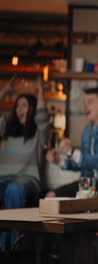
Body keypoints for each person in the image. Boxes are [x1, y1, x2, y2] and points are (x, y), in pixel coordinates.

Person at [0, 76, 49, 249]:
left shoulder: (38, 133)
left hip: (27, 180)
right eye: (18, 105)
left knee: (15, 188)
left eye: (24, 105)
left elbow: (43, 116)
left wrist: (41, 90)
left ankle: (12, 245)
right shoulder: (6, 130)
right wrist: (5, 91)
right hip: (3, 179)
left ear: (33, 110)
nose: (20, 109)